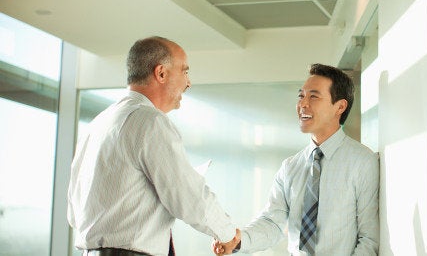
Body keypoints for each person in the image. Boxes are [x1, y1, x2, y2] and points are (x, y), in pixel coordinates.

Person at [67, 36, 240, 256]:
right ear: (161, 73)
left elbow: (74, 213)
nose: (188, 83)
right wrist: (227, 233)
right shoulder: (150, 122)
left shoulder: (96, 125)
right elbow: (187, 196)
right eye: (185, 72)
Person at [214, 63, 379, 255]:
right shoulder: (290, 167)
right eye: (301, 96)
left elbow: (369, 239)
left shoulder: (362, 162)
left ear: (340, 107)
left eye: (314, 96)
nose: (303, 104)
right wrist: (238, 241)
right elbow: (272, 222)